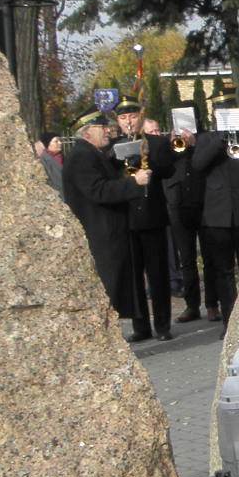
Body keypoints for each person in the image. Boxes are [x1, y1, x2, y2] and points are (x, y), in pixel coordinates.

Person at [62, 110, 153, 336]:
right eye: (101, 127)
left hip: (110, 232)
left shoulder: (93, 153)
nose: (107, 130)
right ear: (86, 133)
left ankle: (117, 335)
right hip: (101, 234)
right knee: (108, 290)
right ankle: (105, 340)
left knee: (118, 288)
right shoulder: (81, 156)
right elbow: (98, 190)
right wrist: (134, 183)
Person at [191, 99, 239, 320]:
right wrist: (220, 141)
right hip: (217, 216)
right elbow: (198, 165)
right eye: (220, 113)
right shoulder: (206, 139)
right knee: (223, 271)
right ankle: (229, 319)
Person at [113, 100, 177, 341]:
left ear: (140, 118)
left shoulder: (156, 142)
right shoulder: (113, 146)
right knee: (134, 275)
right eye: (123, 118)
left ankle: (162, 325)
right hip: (128, 217)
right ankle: (140, 326)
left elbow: (170, 169)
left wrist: (152, 161)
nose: (128, 121)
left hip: (152, 215)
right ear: (117, 122)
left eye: (132, 116)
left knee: (158, 273)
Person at [163, 118, 206, 321]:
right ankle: (192, 305)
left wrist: (195, 144)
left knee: (210, 258)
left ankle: (213, 304)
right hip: (178, 205)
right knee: (187, 260)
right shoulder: (170, 144)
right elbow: (163, 165)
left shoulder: (203, 140)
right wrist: (172, 143)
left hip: (202, 202)